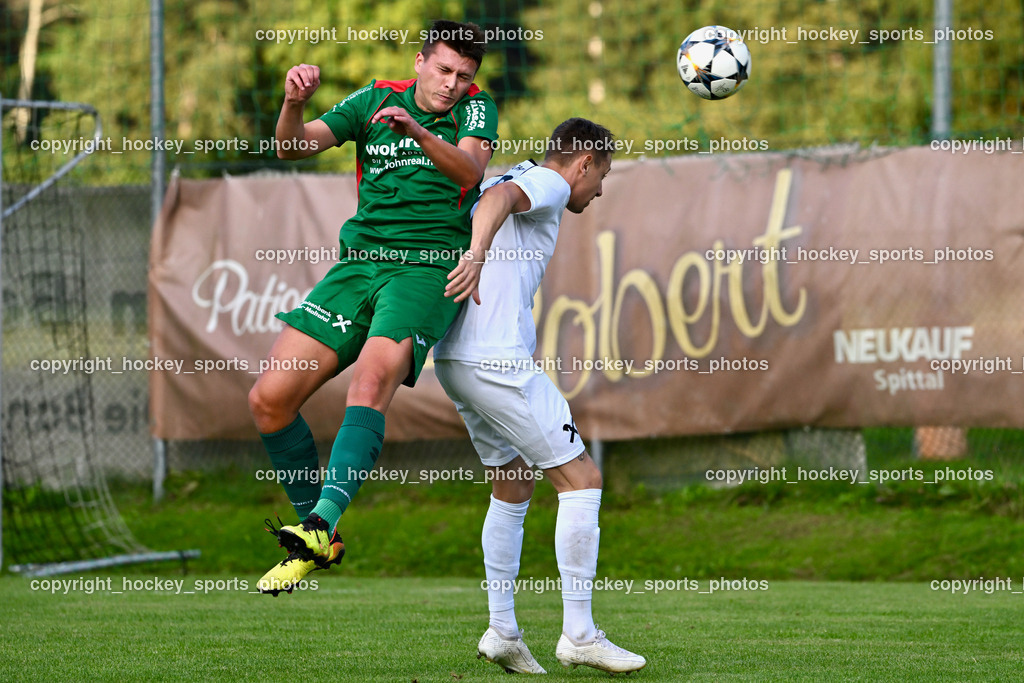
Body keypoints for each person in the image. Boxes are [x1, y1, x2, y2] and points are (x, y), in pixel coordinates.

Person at [251, 19, 498, 595]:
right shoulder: (373, 98)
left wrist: (417, 130)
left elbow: (469, 170)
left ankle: (319, 523)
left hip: (425, 267)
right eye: (443, 70)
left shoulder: (476, 109)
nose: (452, 84)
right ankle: (319, 532)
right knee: (268, 400)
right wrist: (292, 102)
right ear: (418, 62)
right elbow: (291, 146)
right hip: (358, 266)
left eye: (463, 76)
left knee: (369, 381)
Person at [433, 118, 647, 674]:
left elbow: (495, 193)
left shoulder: (511, 173)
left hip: (454, 358)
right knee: (583, 479)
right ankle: (579, 633)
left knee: (513, 479)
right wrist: (478, 254)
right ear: (583, 163)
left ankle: (502, 629)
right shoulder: (549, 182)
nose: (600, 189)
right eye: (602, 174)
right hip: (496, 360)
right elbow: (502, 198)